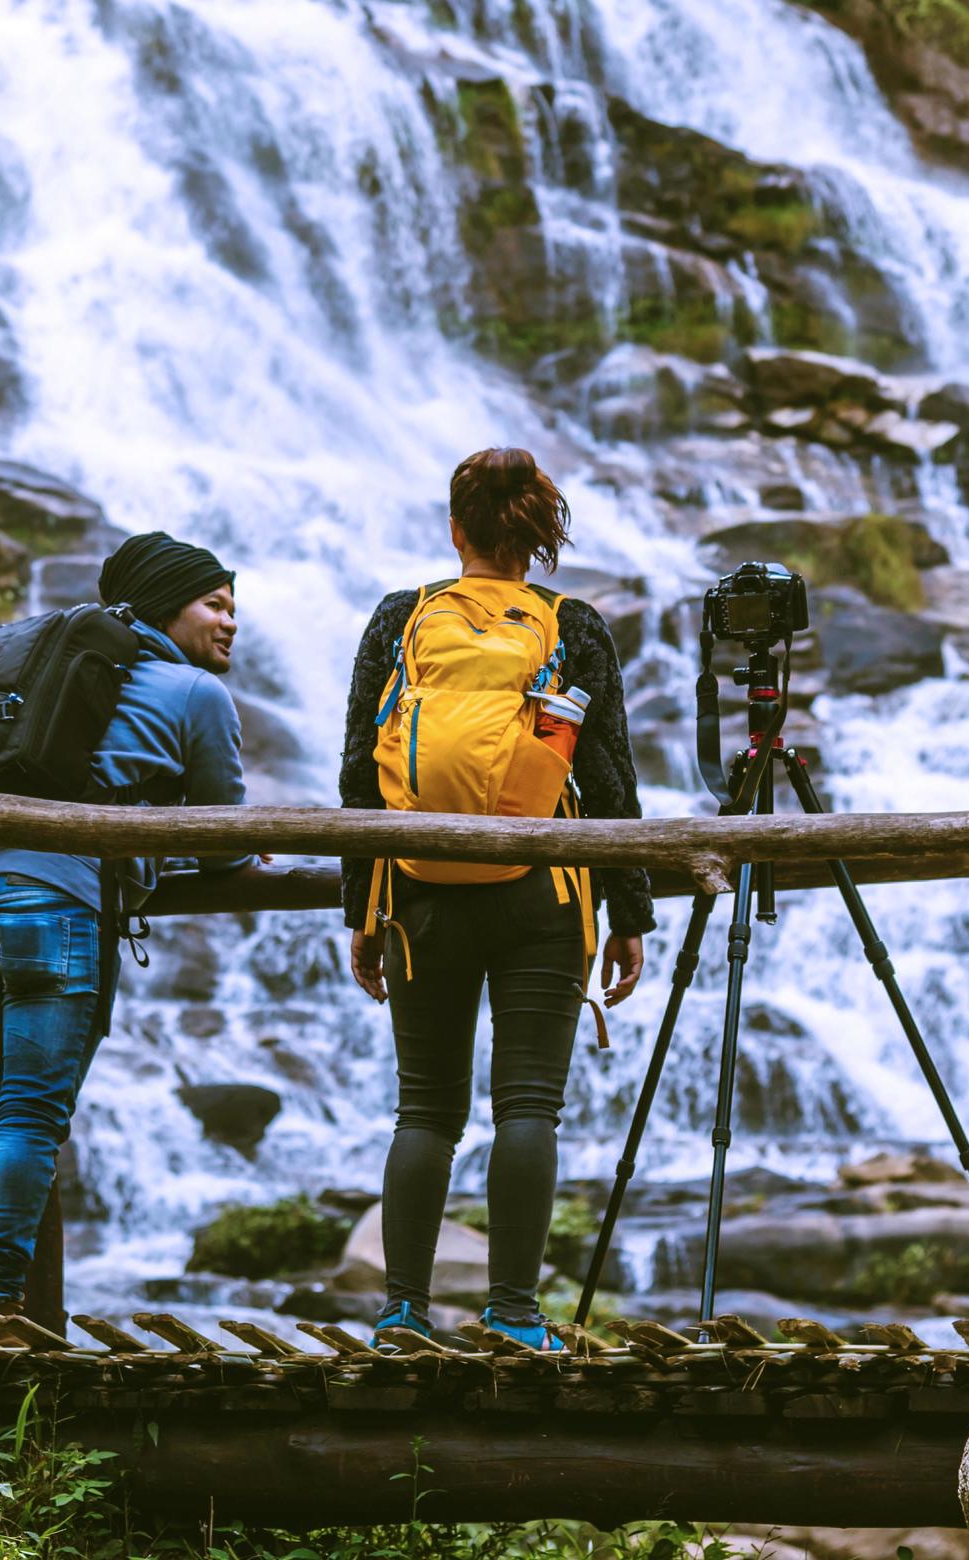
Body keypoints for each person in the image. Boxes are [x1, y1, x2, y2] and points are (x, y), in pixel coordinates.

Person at [339, 448, 649, 1353]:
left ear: (454, 528)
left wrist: (361, 909)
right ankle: (512, 1313)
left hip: (417, 890)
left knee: (426, 1107)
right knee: (528, 1107)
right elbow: (607, 775)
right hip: (543, 896)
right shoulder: (572, 623)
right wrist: (630, 912)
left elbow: (362, 772)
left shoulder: (403, 617)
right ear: (539, 533)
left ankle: (402, 1311)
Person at [0, 529, 247, 1317]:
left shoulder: (63, 677)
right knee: (32, 1122)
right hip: (58, 908)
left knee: (4, 1120)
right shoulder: (196, 694)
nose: (229, 621)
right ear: (162, 608)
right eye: (214, 603)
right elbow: (226, 840)